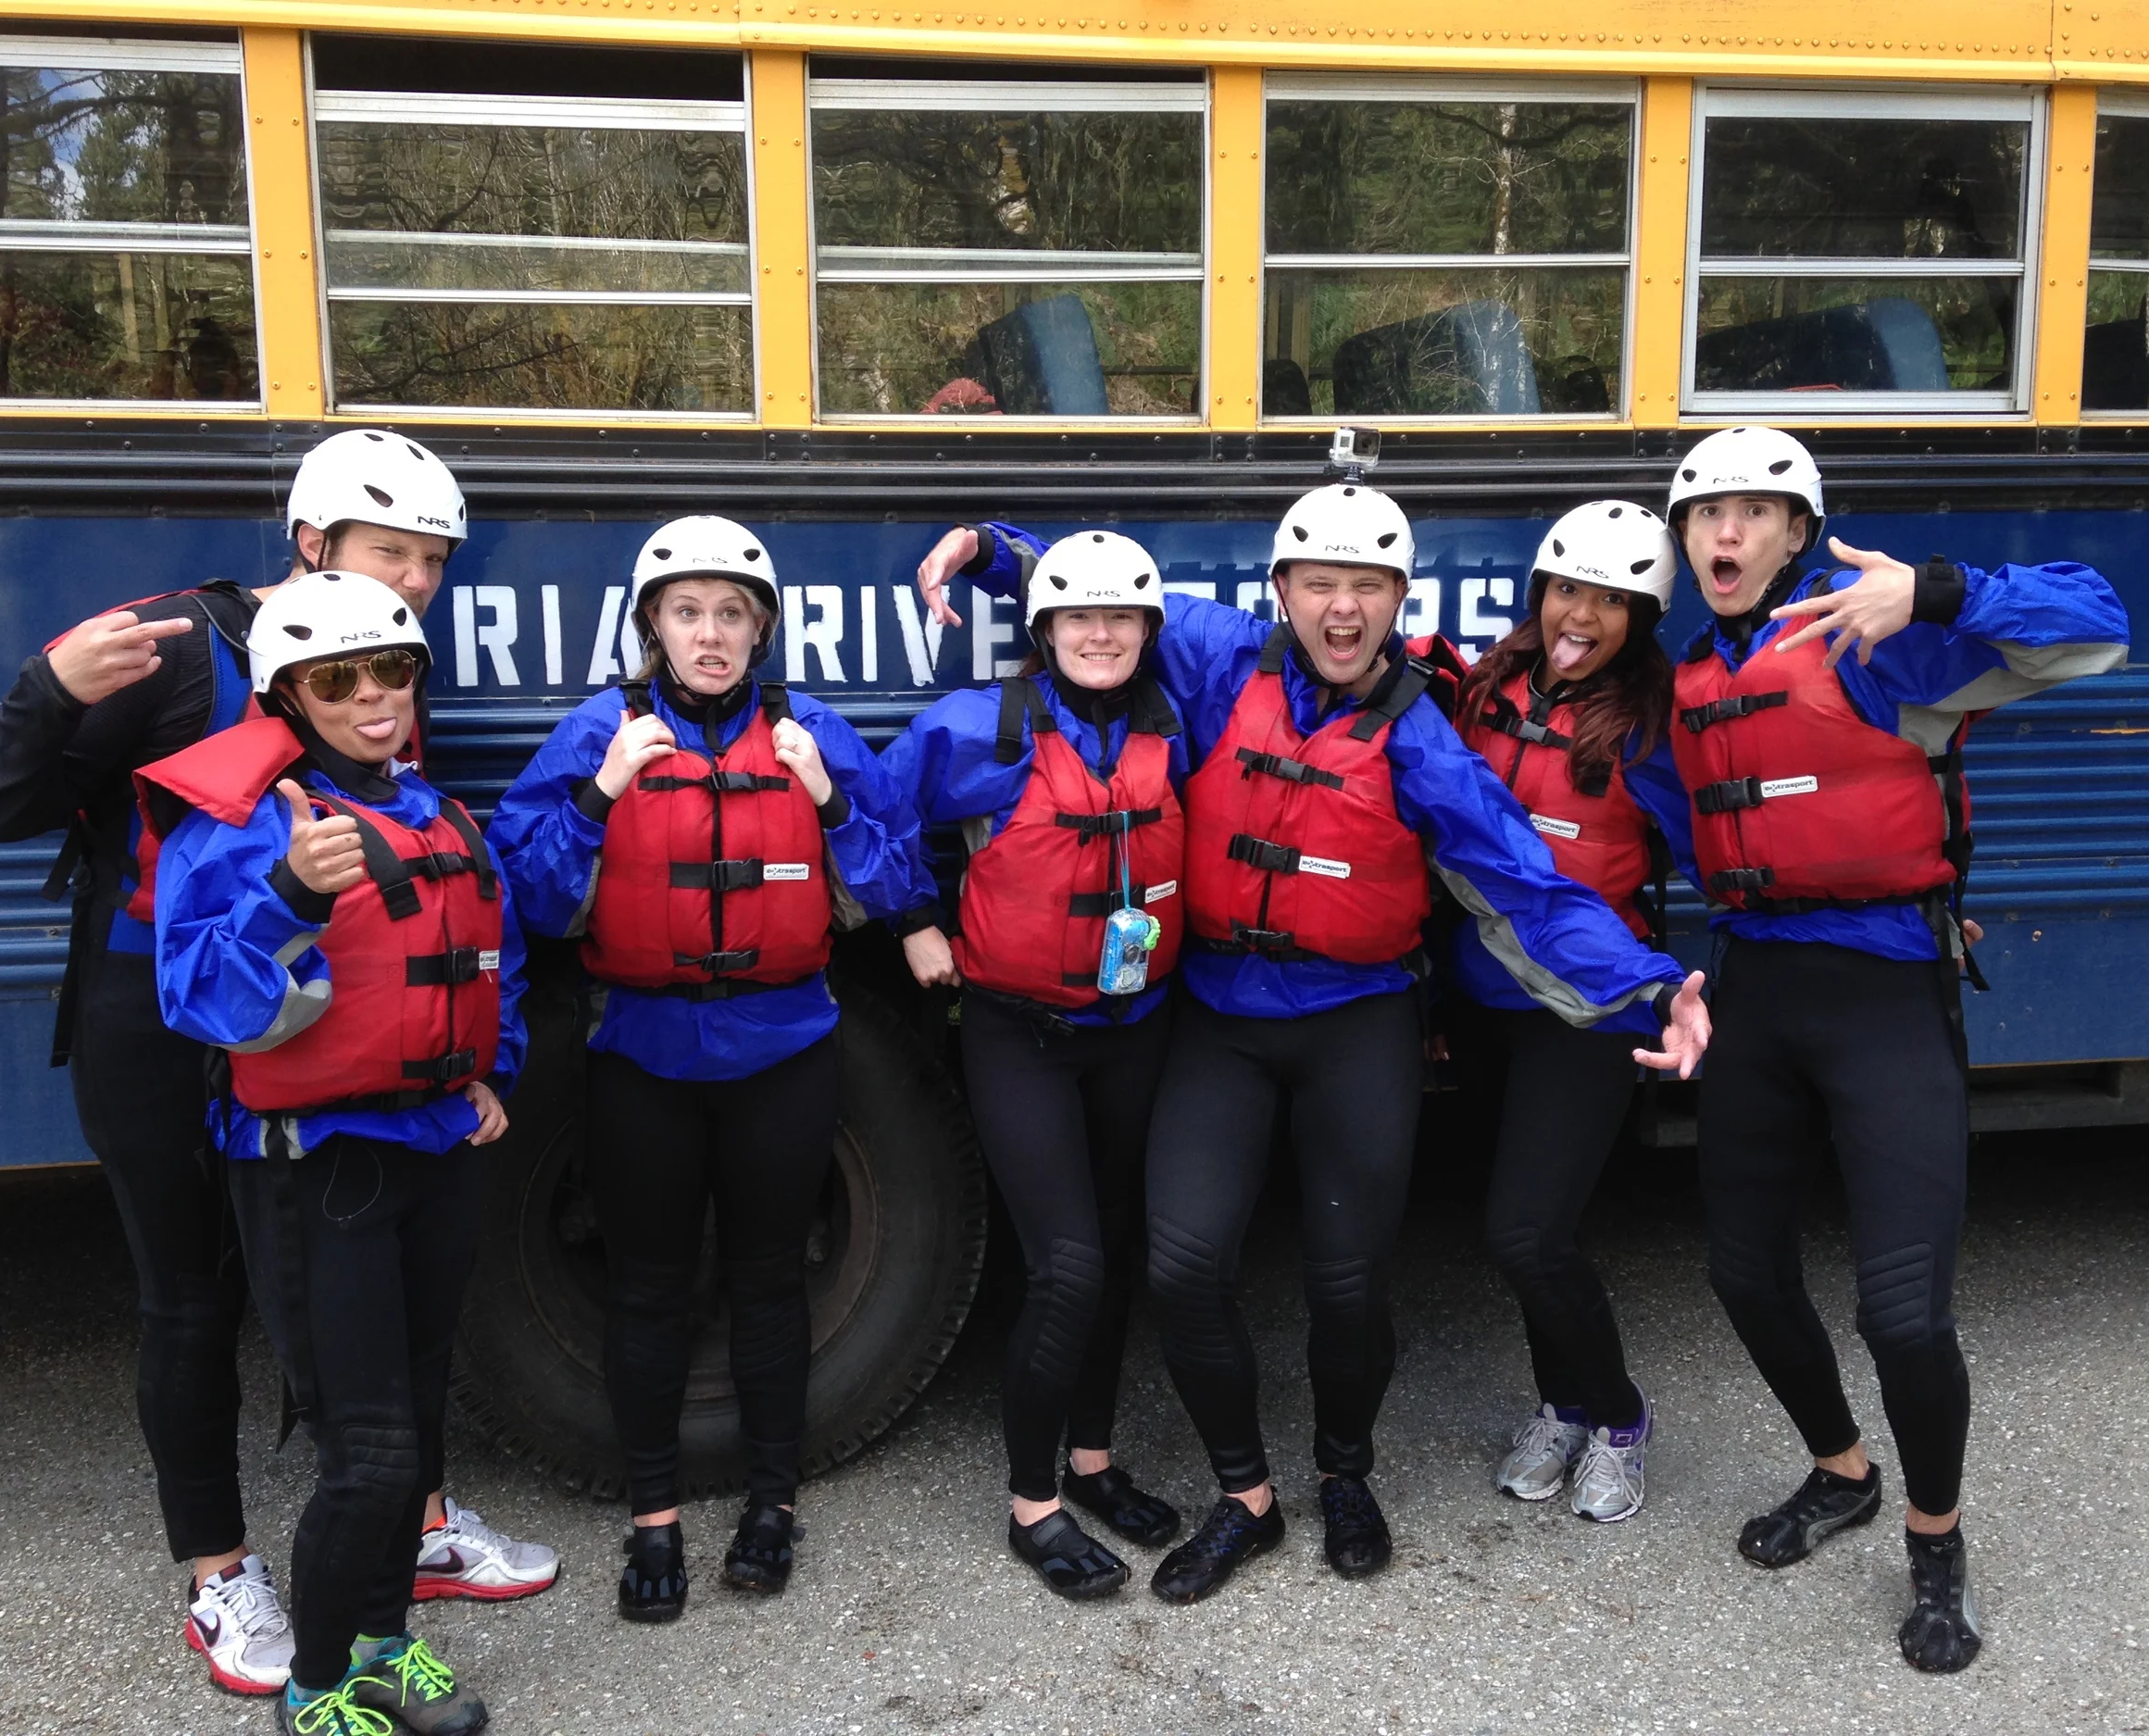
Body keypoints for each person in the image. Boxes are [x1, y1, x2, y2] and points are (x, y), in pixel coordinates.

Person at [915, 492, 1710, 1605]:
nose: (1343, 609)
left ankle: (1345, 1472)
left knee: (1347, 1286)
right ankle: (1246, 1497)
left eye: (1369, 588)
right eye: (1320, 584)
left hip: (1358, 1024)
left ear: (1400, 601)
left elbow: (1526, 882)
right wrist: (997, 552)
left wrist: (1651, 983)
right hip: (1222, 1022)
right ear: (1279, 592)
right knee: (1184, 1266)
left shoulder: (1422, 733)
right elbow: (1099, 597)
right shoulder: (1217, 654)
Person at [0, 431, 554, 1697]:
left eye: (432, 563)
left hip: (321, 995)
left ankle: (412, 1519)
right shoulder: (178, 645)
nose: (412, 579)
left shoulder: (378, 661)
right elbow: (5, 806)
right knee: (192, 1292)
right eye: (390, 550)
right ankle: (221, 1569)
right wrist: (50, 691)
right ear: (309, 541)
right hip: (156, 996)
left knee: (386, 1294)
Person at [1662, 425, 2129, 1672]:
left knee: (1903, 1312)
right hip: (1756, 991)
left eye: (1758, 512)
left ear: (1801, 534)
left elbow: (2097, 622)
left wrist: (1941, 586)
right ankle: (1841, 1468)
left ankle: (1935, 1541)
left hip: (1883, 995)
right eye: (1706, 511)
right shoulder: (1693, 677)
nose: (1727, 533)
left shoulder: (1880, 641)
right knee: (1743, 1274)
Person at [486, 517, 925, 1622]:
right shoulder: (600, 731)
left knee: (770, 1282)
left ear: (763, 629)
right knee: (649, 1287)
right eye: (688, 613)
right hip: (643, 1052)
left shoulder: (808, 730)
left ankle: (771, 1505)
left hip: (785, 1051)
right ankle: (653, 1519)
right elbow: (527, 900)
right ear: (653, 628)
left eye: (732, 614)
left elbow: (893, 882)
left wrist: (827, 797)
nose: (711, 634)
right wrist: (596, 799)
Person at [143, 574, 526, 1736]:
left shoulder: (430, 809)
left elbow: (488, 962)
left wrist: (484, 1075)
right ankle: (313, 1693)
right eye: (336, 679)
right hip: (318, 1166)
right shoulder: (254, 824)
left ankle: (381, 1647)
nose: (373, 697)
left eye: (393, 670)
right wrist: (282, 896)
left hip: (431, 1149)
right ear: (287, 696)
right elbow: (196, 998)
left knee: (410, 1420)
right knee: (366, 1453)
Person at [882, 531, 1189, 1600]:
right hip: (1020, 1033)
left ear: (1148, 630)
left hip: (1135, 1025)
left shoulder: (1173, 725)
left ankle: (1093, 1462)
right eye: (1076, 615)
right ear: (1044, 628)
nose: (1098, 633)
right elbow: (870, 815)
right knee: (1066, 1266)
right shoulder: (981, 727)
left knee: (1115, 1250)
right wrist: (913, 919)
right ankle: (1033, 1505)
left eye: (1119, 616)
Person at [1448, 501, 1694, 1524]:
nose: (1579, 615)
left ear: (1642, 614)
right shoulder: (1480, 689)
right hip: (1479, 1001)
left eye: (1609, 598)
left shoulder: (1658, 727)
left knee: (1526, 1232)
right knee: (1519, 1229)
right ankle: (1560, 1405)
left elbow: (1738, 841)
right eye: (1565, 589)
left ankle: (1621, 1417)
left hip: (1588, 1011)